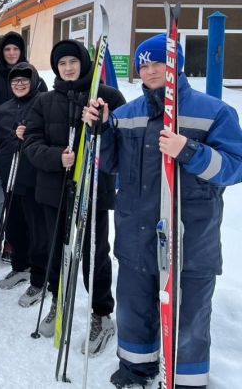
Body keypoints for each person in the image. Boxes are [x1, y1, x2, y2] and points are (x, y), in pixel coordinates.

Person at [83, 34, 242, 388]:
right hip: (136, 233)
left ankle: (186, 380)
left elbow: (235, 167)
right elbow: (108, 165)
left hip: (191, 238)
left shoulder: (213, 111)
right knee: (134, 308)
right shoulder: (126, 114)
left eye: (159, 63)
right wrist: (102, 131)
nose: (151, 70)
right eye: (144, 64)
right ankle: (136, 369)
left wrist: (189, 150)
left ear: (176, 65)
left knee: (189, 318)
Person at [23, 39, 125, 354]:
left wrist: (103, 125)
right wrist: (57, 157)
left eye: (73, 62)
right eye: (62, 63)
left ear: (83, 62)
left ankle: (101, 314)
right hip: (55, 190)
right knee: (57, 250)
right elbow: (31, 142)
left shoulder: (107, 96)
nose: (68, 68)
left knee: (94, 254)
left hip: (94, 189)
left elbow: (123, 143)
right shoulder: (44, 100)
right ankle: (59, 302)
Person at [0, 62, 46, 307]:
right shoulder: (4, 108)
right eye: (15, 81)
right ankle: (20, 266)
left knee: (35, 229)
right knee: (14, 226)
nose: (20, 84)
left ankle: (39, 278)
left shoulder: (42, 103)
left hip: (34, 177)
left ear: (33, 81)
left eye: (25, 80)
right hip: (10, 174)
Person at [0, 31, 48, 261]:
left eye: (15, 49)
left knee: (22, 205)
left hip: (28, 154)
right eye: (7, 49)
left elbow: (45, 112)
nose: (11, 53)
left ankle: (15, 243)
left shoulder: (36, 79)